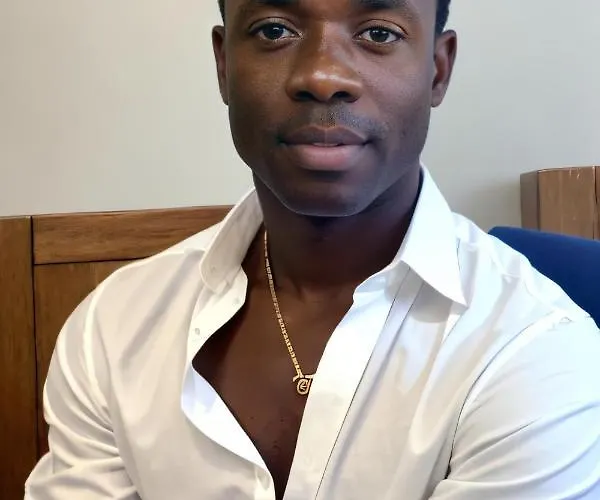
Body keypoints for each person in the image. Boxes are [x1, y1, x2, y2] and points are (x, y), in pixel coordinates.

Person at [25, 0, 600, 498]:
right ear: (224, 64)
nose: (323, 76)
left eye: (379, 33)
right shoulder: (115, 328)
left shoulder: (540, 352)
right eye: (274, 30)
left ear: (437, 69)